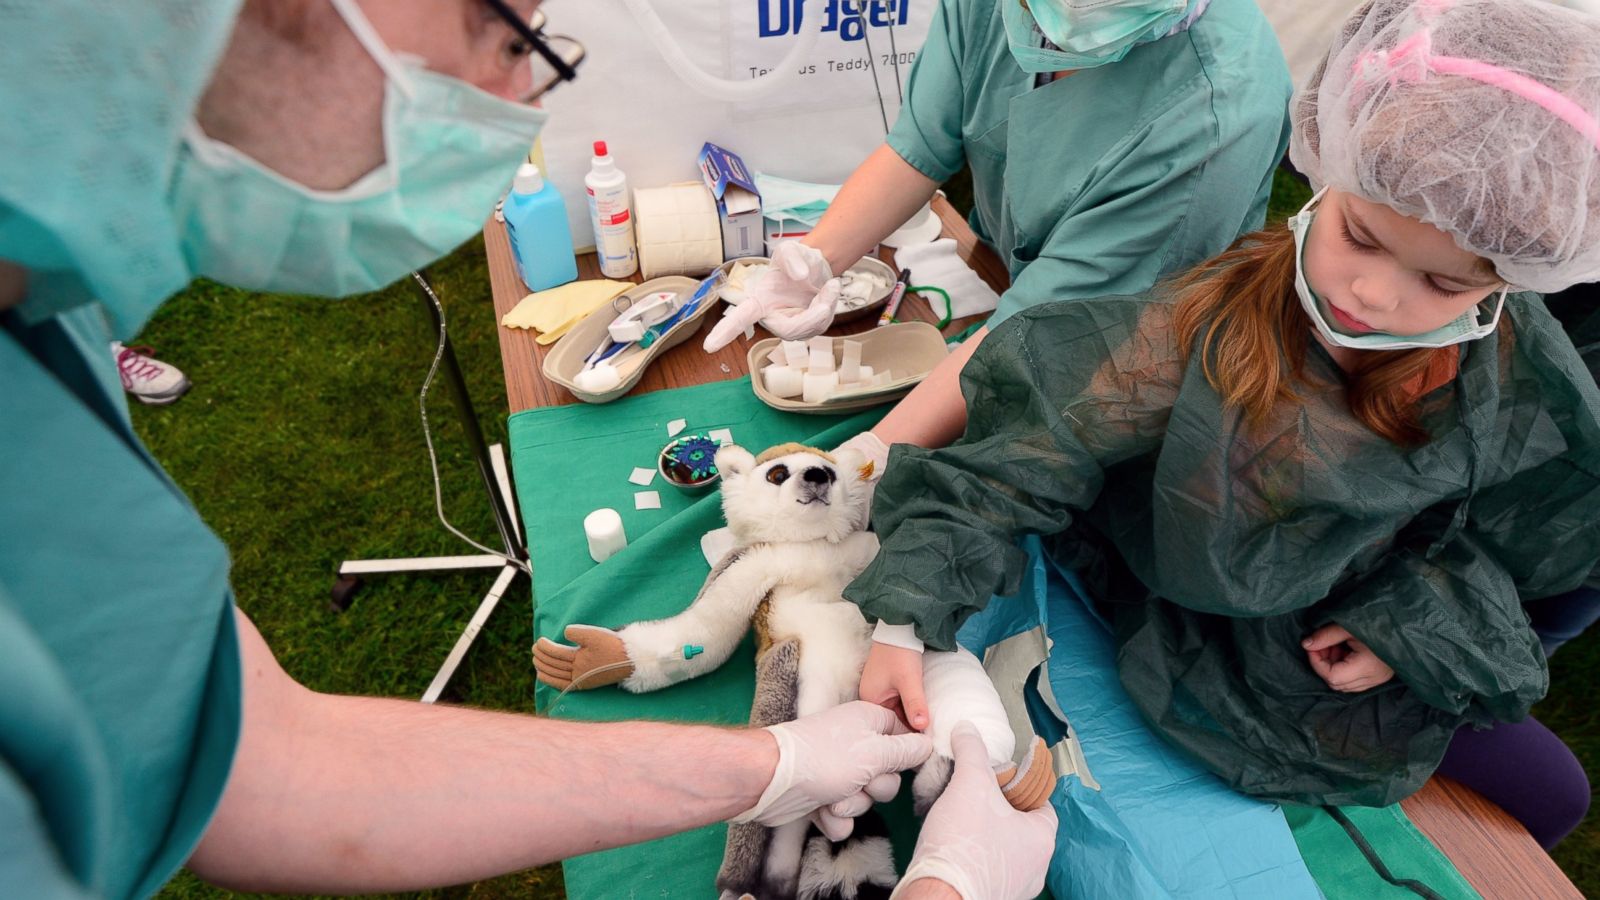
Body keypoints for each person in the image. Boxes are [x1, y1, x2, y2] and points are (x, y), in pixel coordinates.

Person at [0, 1, 1053, 896]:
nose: (514, 100)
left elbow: (247, 759)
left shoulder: (38, 326)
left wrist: (772, 764)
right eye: (505, 30)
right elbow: (253, 767)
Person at [843, 0, 1600, 849]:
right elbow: (1009, 465)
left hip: (1352, 643)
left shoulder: (1513, 365)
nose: (1376, 296)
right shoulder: (1197, 332)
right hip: (1200, 633)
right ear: (1325, 166)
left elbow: (1523, 537)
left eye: (1445, 286)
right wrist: (905, 621)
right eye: (1360, 236)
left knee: (1554, 796)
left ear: (1515, 282)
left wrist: (1406, 621)